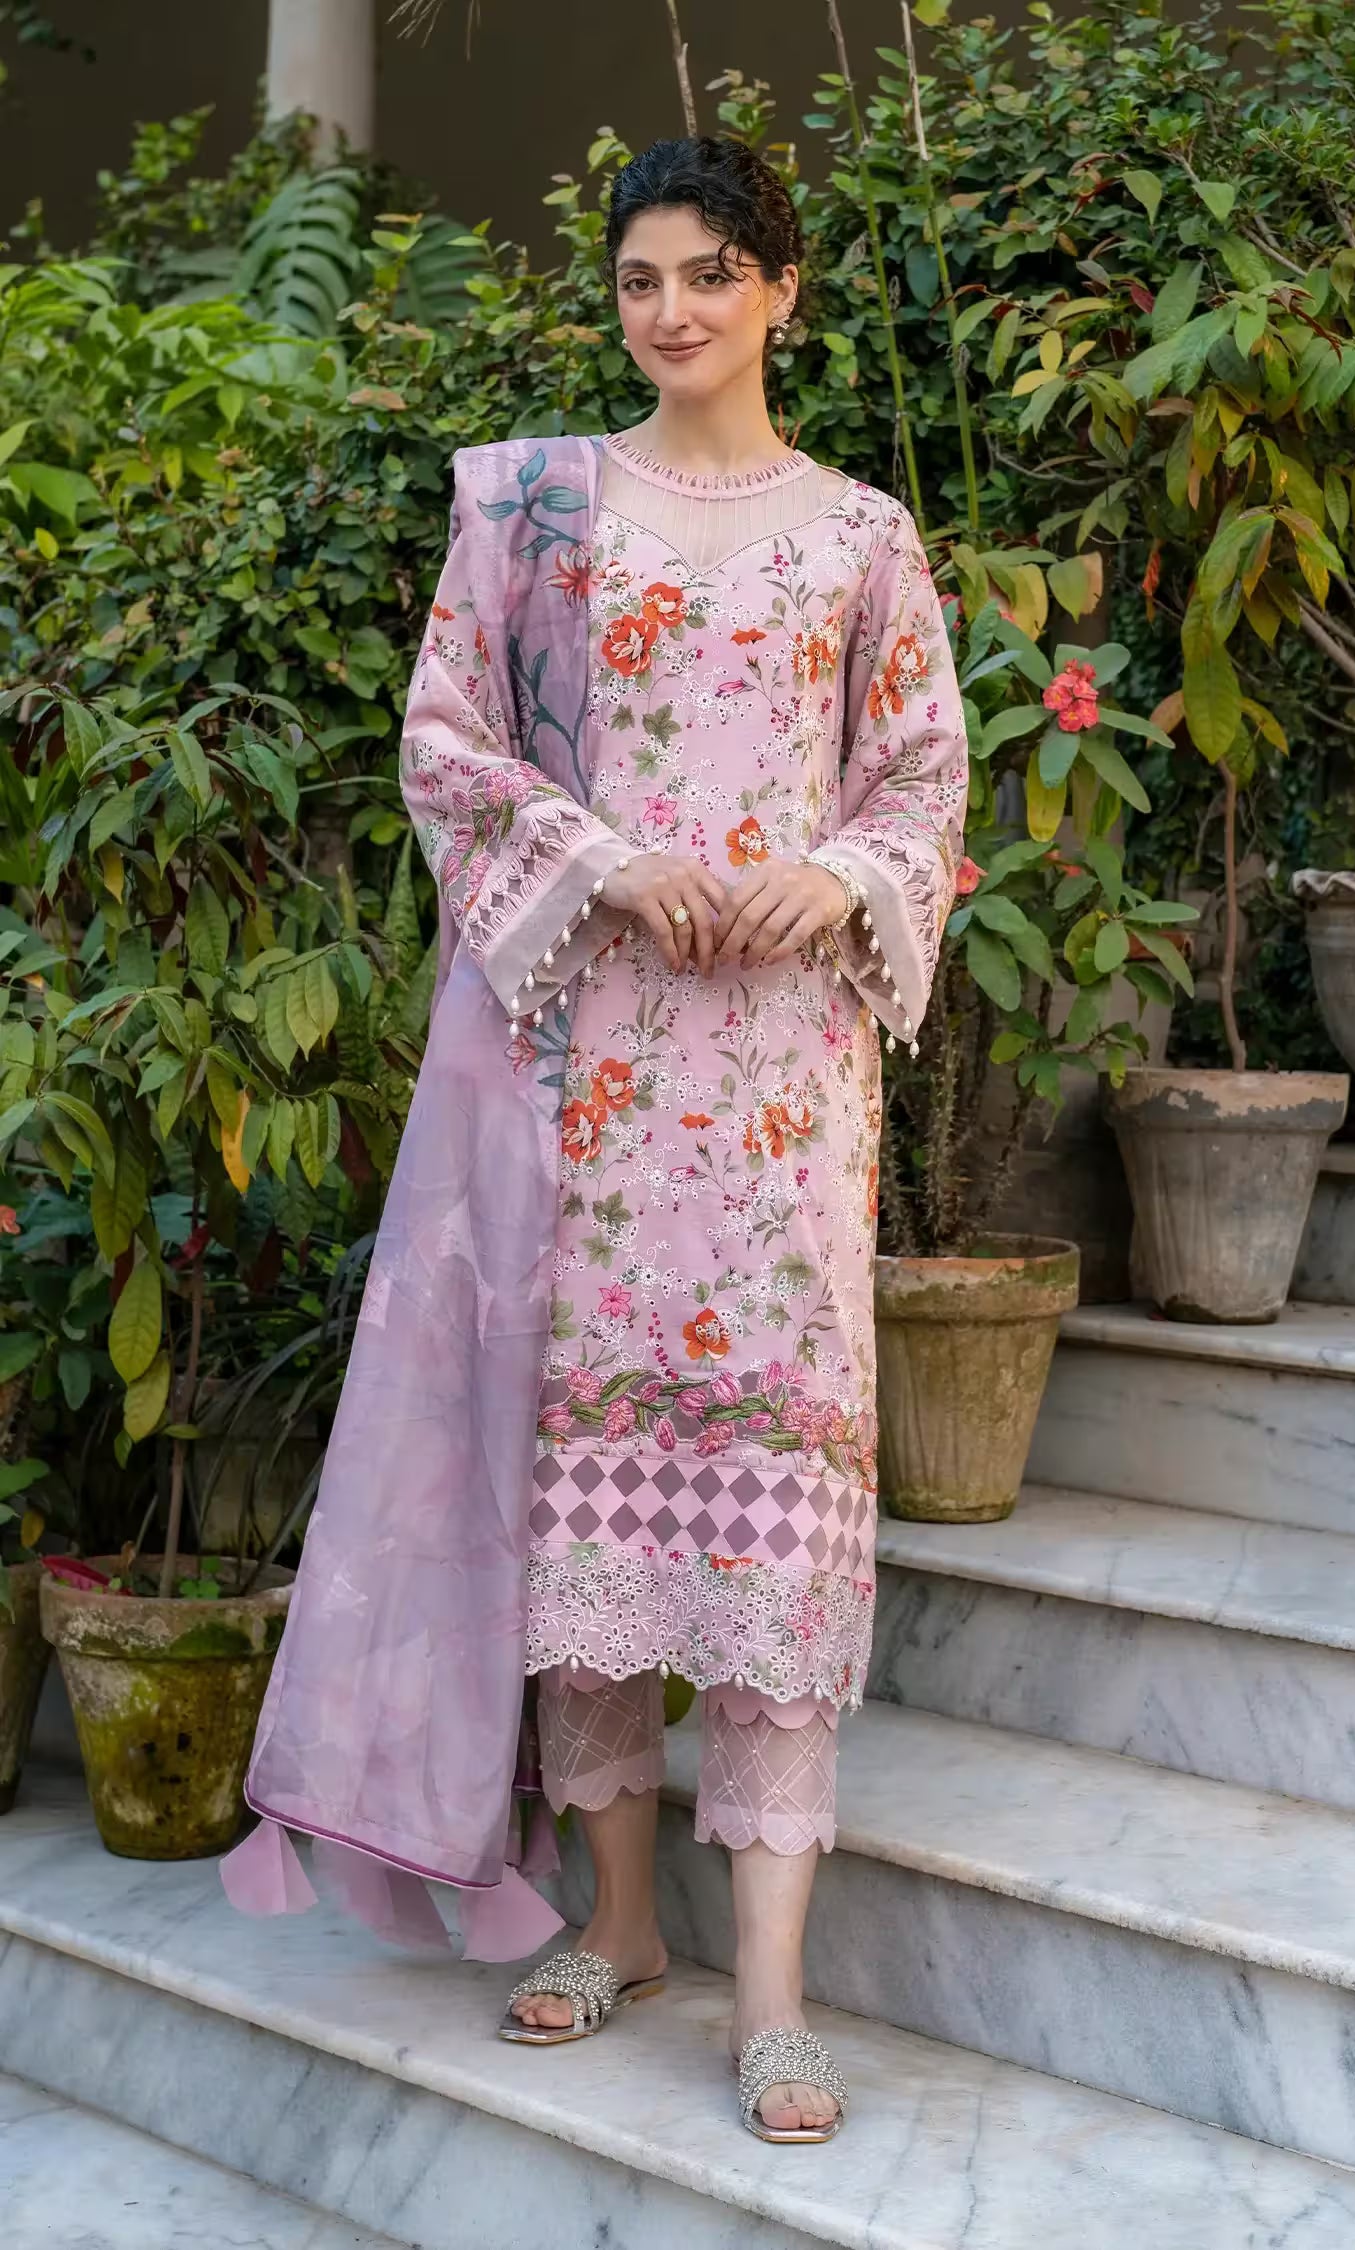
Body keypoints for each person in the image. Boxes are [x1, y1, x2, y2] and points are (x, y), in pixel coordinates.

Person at [224, 134, 966, 2149]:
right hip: (594, 1068)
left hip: (785, 1092)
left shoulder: (861, 538)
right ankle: (622, 1926)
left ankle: (780, 1994)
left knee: (773, 1523)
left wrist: (836, 881)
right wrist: (613, 863)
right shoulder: (541, 508)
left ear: (782, 290)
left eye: (713, 271)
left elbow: (918, 781)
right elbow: (445, 737)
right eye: (642, 276)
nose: (674, 310)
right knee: (593, 1523)